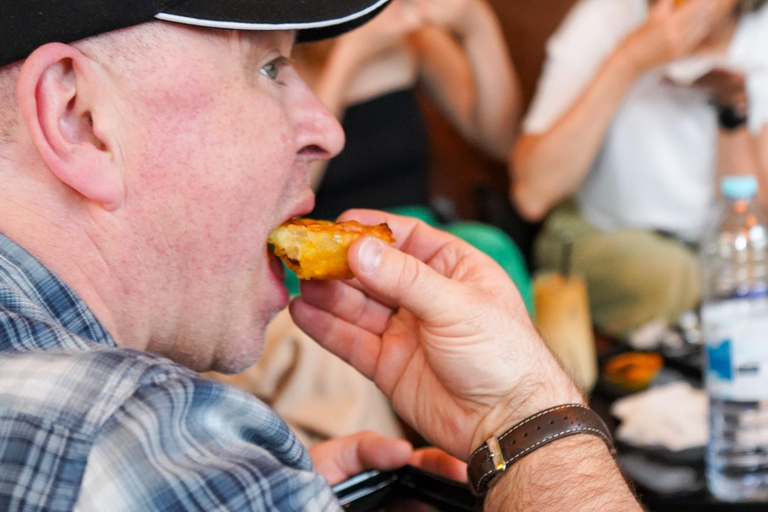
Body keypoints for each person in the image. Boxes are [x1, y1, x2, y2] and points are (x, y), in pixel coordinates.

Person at [0, 1, 642, 510]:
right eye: (268, 68)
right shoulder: (138, 436)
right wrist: (529, 420)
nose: (327, 131)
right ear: (77, 117)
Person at [511, 0, 768, 337]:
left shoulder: (758, 38)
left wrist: (732, 106)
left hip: (708, 250)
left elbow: (752, 215)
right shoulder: (607, 17)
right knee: (679, 277)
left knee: (731, 277)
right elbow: (533, 192)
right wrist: (633, 58)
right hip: (597, 232)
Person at [292, 0, 534, 312]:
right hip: (322, 245)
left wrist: (478, 23)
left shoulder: (407, 37)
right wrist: (350, 54)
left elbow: (500, 141)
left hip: (413, 233)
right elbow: (293, 186)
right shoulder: (283, 49)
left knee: (491, 250)